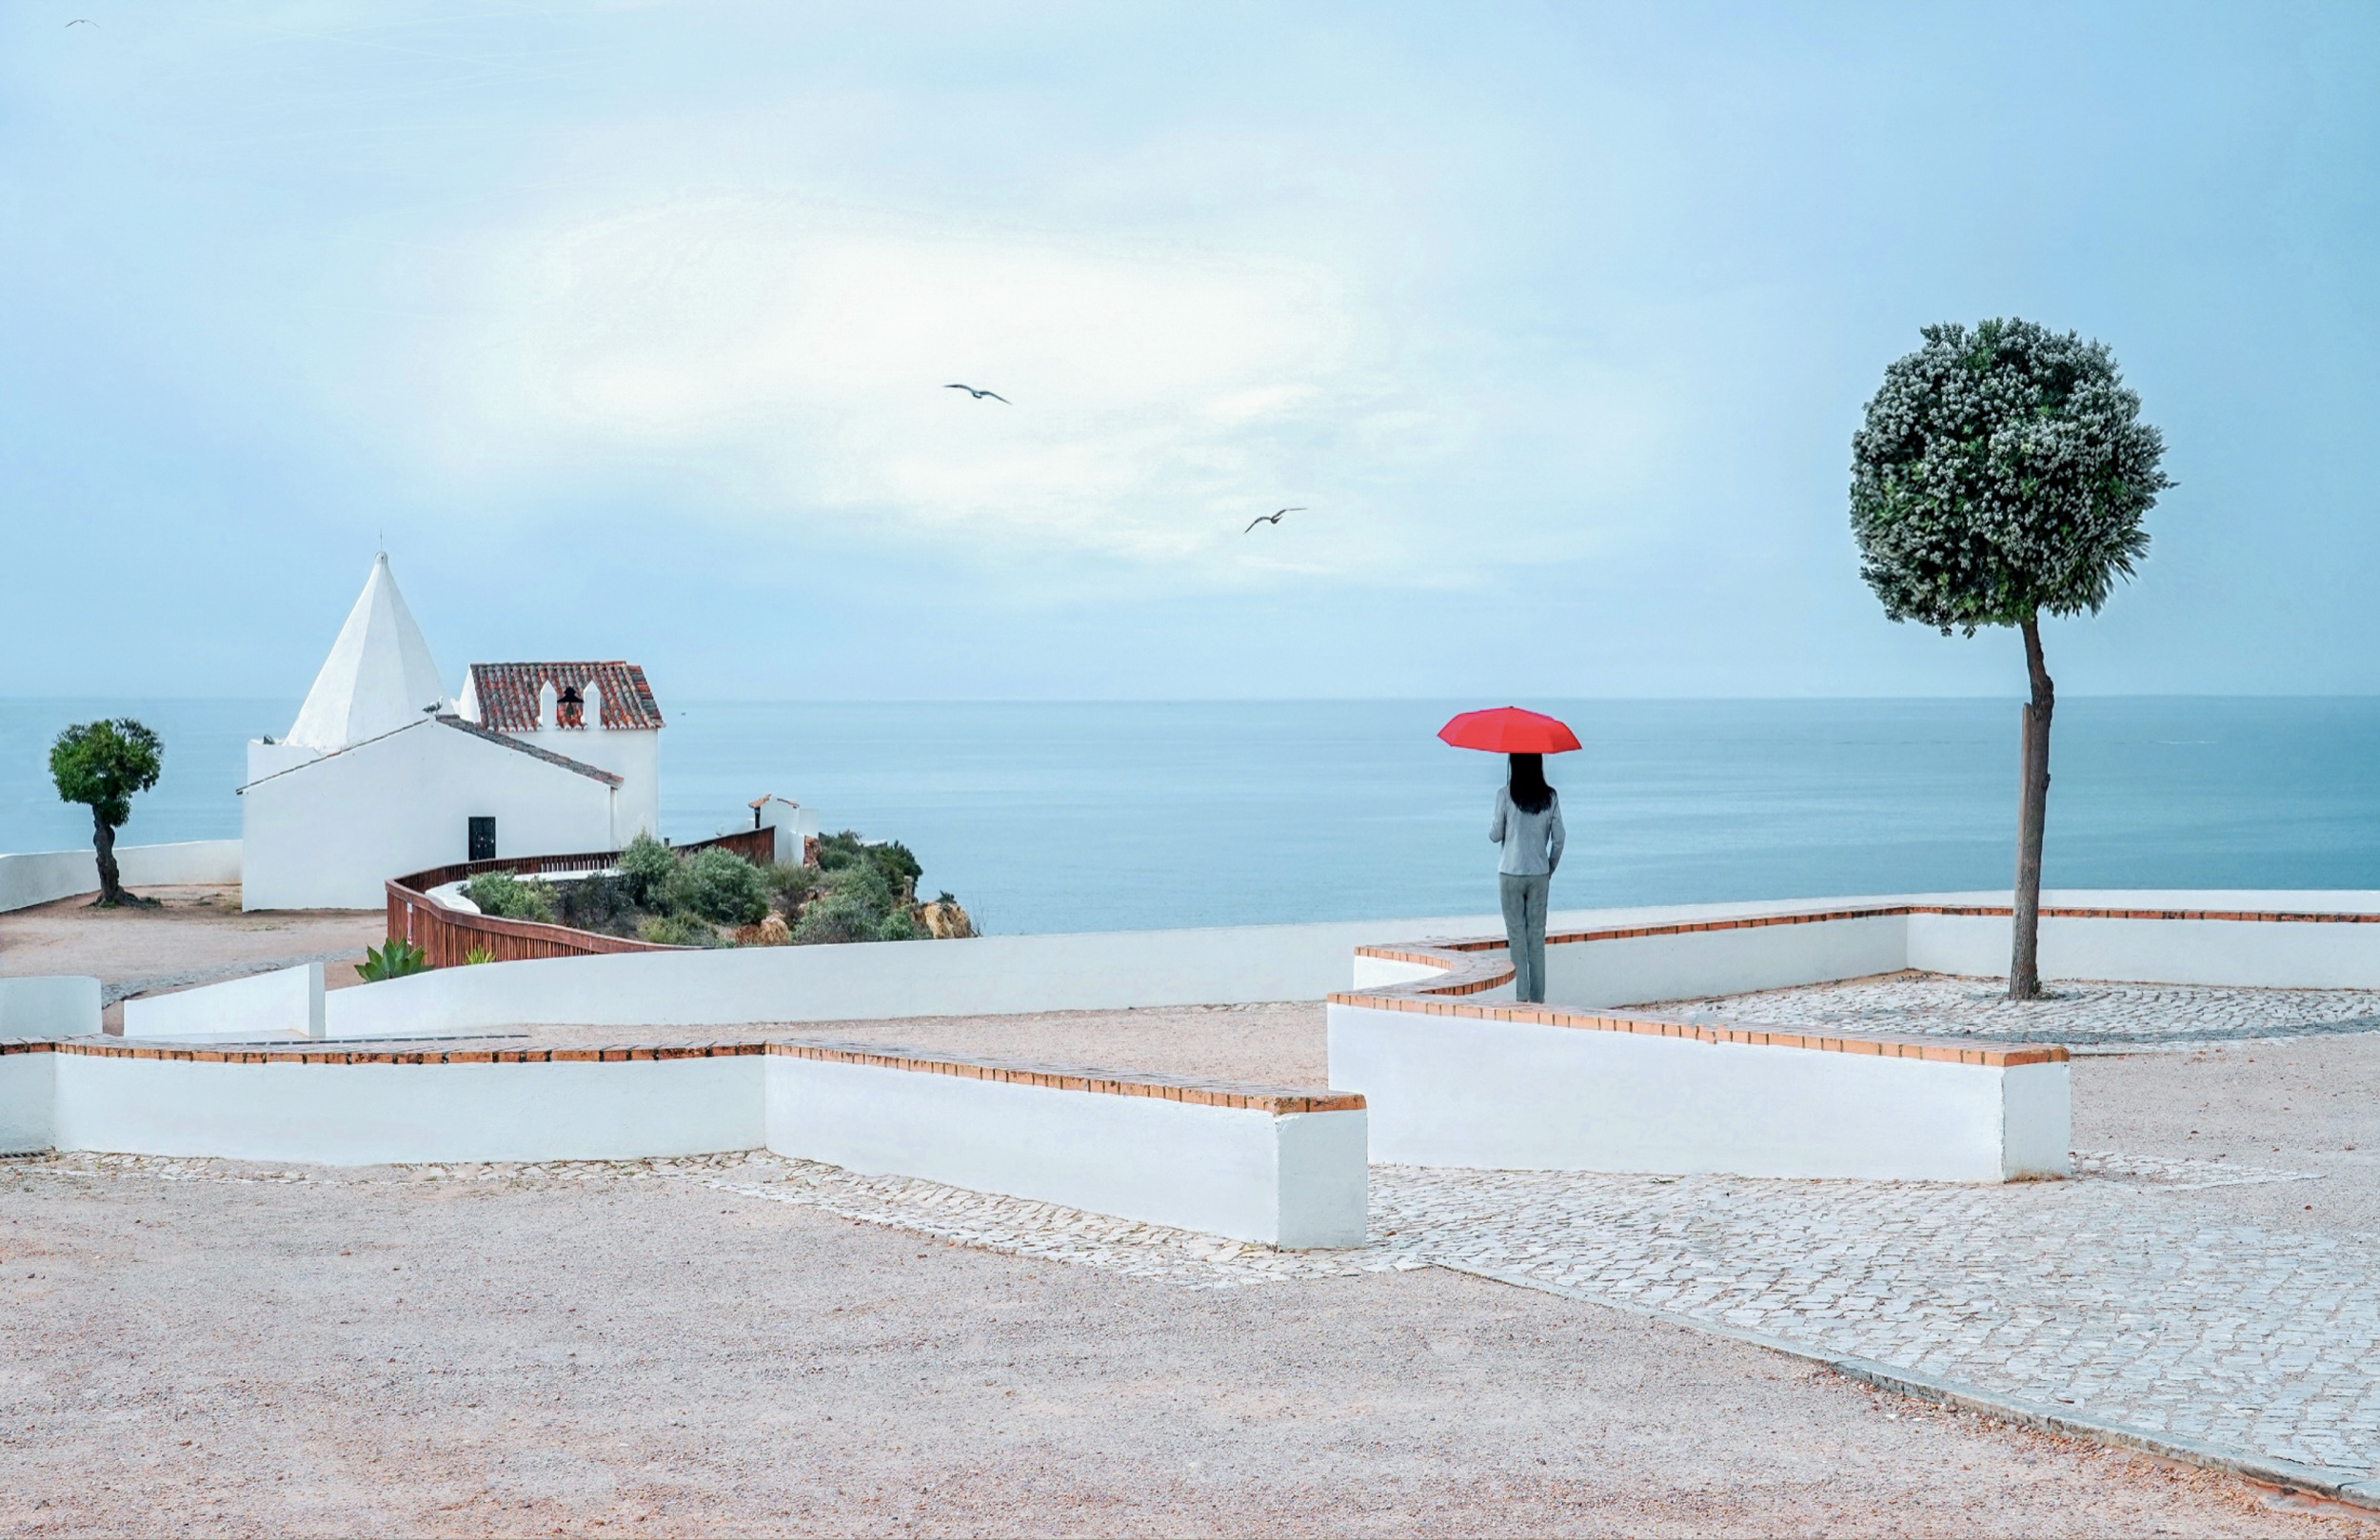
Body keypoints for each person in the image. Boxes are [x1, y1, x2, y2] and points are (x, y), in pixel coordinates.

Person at [1490, 751, 1564, 1003]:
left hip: (1510, 873)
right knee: (1536, 940)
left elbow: (1495, 834)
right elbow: (1560, 838)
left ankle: (1521, 1000)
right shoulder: (1550, 797)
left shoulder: (1504, 794)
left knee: (1517, 939)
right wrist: (1549, 867)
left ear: (1513, 763)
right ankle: (1538, 1000)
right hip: (1539, 874)